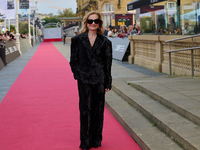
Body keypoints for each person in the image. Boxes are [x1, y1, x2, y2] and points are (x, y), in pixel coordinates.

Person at [70, 11, 112, 150]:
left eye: (96, 21)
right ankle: (85, 141)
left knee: (98, 110)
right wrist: (78, 75)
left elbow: (108, 64)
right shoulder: (77, 40)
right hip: (84, 80)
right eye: (90, 21)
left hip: (99, 79)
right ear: (86, 23)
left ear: (100, 23)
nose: (93, 23)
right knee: (85, 109)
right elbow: (73, 61)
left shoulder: (106, 42)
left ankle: (96, 139)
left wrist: (108, 81)